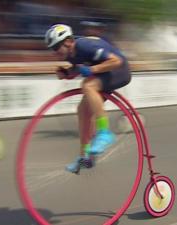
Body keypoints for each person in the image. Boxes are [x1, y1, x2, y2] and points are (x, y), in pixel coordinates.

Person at [45, 24, 131, 173]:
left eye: (56, 47)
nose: (55, 52)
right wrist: (66, 73)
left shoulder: (85, 45)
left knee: (88, 85)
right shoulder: (71, 55)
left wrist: (91, 70)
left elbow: (116, 61)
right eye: (52, 49)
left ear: (68, 41)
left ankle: (104, 133)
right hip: (105, 74)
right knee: (82, 110)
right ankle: (85, 157)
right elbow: (79, 70)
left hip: (119, 71)